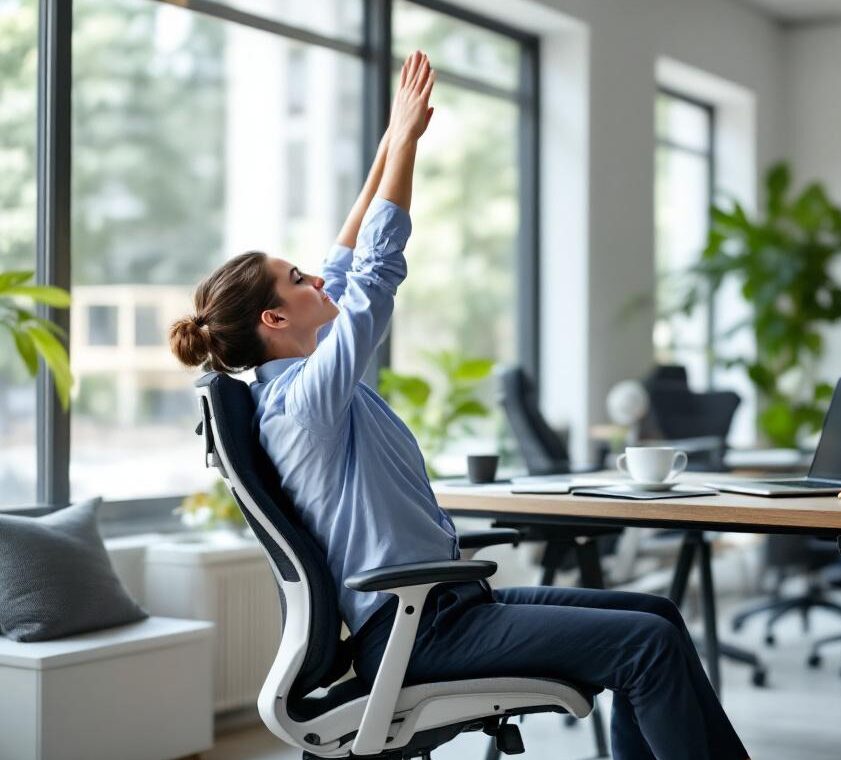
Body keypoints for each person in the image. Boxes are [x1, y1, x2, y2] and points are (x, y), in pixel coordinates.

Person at [169, 50, 748, 760]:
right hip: (421, 632)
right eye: (297, 278)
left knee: (657, 616)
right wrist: (408, 146)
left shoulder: (302, 383)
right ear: (274, 319)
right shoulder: (303, 402)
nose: (316, 277)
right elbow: (374, 274)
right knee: (645, 646)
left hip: (447, 608)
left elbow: (345, 263)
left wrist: (388, 144)